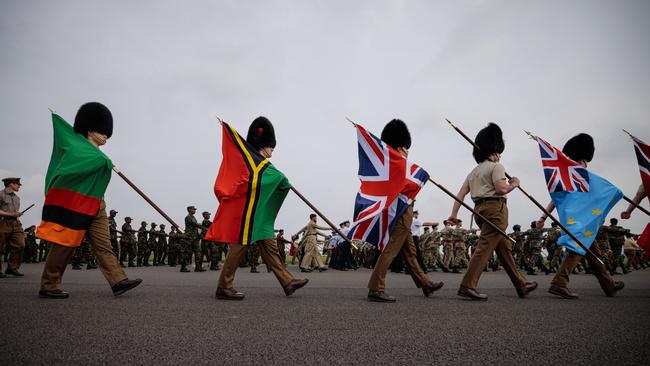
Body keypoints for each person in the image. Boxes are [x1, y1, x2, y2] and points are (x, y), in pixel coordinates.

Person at [38, 102, 141, 298]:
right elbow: (71, 171)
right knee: (64, 243)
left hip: (96, 203)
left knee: (104, 244)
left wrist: (103, 161)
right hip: (75, 203)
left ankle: (118, 280)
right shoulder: (76, 149)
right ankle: (49, 284)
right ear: (91, 130)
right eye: (103, 132)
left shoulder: (98, 155)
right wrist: (103, 161)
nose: (106, 137)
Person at [215, 116, 308, 300]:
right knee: (238, 247)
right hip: (248, 214)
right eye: (270, 146)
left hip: (259, 216)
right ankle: (223, 286)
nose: (272, 150)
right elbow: (266, 179)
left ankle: (288, 283)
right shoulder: (254, 163)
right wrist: (282, 179)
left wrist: (281, 180)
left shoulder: (261, 164)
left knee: (270, 247)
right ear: (262, 145)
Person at [447, 122, 537, 300]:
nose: (500, 157)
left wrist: (454, 214)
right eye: (499, 153)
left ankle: (521, 283)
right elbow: (502, 189)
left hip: (479, 210)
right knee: (485, 246)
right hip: (495, 209)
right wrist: (514, 184)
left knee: (503, 247)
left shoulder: (473, 172)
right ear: (494, 151)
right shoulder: (497, 167)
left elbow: (460, 194)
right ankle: (467, 285)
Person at [367, 119, 444, 302]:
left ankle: (424, 283)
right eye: (406, 147)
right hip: (402, 211)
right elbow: (405, 185)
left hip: (403, 210)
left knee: (410, 252)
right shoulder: (399, 163)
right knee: (391, 250)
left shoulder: (390, 163)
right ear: (402, 146)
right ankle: (375, 287)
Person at [539, 134, 623, 299]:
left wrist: (543, 217)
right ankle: (559, 283)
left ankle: (609, 284)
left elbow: (557, 198)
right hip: (582, 221)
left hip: (576, 221)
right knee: (577, 249)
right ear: (586, 156)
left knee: (593, 253)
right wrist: (615, 192)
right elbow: (596, 195)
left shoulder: (568, 173)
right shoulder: (580, 173)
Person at [0, 177, 26, 277]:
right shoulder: (0, 194)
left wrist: (17, 214)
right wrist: (11, 214)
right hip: (3, 223)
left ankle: (12, 268)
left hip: (16, 224)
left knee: (20, 244)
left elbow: (13, 213)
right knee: (0, 247)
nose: (19, 186)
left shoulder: (17, 198)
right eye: (17, 184)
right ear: (11, 184)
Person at [184, 206, 204, 272]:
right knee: (187, 252)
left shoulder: (193, 217)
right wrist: (203, 227)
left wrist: (198, 235)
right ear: (189, 210)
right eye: (193, 209)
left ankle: (198, 267)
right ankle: (183, 267)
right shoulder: (188, 217)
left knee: (198, 252)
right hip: (189, 237)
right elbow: (195, 224)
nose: (194, 210)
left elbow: (195, 227)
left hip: (195, 238)